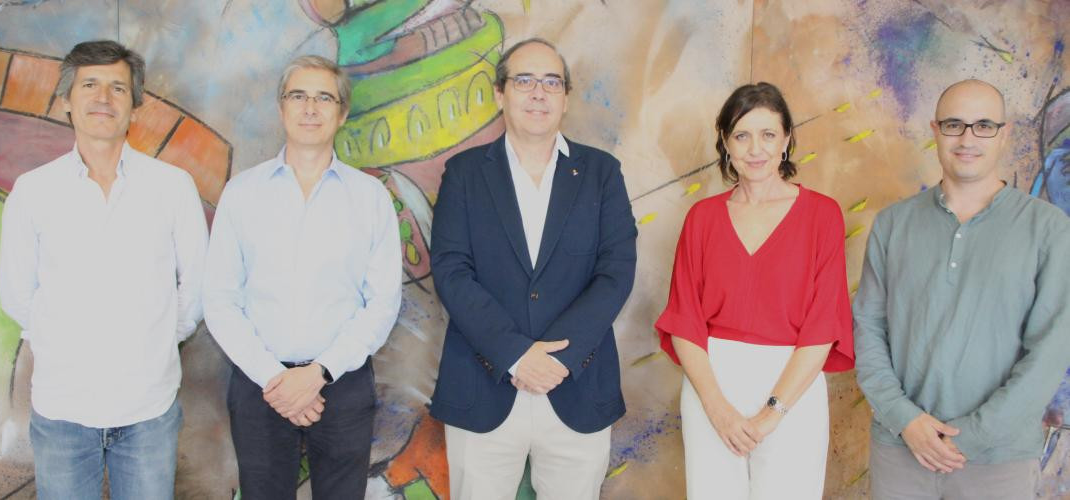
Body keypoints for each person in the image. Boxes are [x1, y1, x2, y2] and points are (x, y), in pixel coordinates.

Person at [0, 40, 208, 499]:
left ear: (134, 105)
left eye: (118, 88)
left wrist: (156, 341)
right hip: (62, 409)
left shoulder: (172, 187)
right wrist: (64, 344)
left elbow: (196, 284)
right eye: (89, 85)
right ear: (66, 100)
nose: (103, 98)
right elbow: (17, 293)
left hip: (149, 409)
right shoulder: (33, 191)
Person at [429, 38, 637, 500]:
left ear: (566, 97)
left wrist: (557, 359)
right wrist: (516, 355)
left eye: (551, 82)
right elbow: (451, 271)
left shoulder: (602, 172)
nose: (538, 93)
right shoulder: (463, 173)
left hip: (576, 385)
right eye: (524, 80)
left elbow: (616, 271)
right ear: (500, 94)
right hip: (483, 383)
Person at [854, 79, 1070, 499]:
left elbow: (1051, 350)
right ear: (935, 130)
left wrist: (972, 435)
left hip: (999, 460)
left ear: (1004, 134)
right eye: (954, 124)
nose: (968, 139)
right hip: (900, 451)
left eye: (984, 125)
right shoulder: (892, 224)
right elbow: (868, 328)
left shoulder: (1049, 229)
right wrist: (904, 419)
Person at [202, 55, 402, 499]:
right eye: (298, 96)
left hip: (342, 384)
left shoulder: (370, 198)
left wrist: (319, 373)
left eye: (324, 98)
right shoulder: (243, 193)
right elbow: (219, 299)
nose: (310, 108)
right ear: (281, 108)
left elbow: (383, 302)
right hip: (260, 386)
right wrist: (275, 379)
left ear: (342, 113)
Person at [655, 82, 854, 499]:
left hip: (793, 386)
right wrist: (717, 409)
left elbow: (824, 325)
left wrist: (772, 413)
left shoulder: (823, 215)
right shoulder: (702, 218)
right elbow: (684, 320)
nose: (755, 148)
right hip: (711, 383)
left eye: (768, 134)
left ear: (786, 140)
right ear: (726, 143)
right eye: (742, 135)